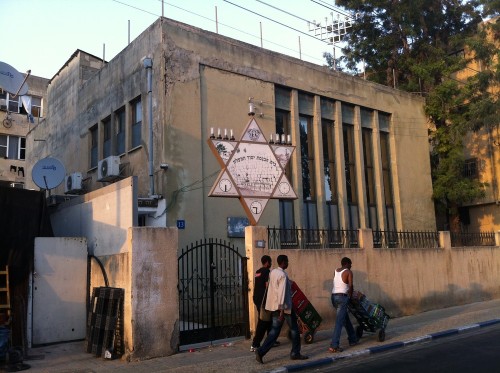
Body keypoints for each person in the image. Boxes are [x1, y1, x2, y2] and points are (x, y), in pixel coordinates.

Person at [255, 255, 308, 364]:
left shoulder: (273, 272)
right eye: (287, 261)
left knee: (274, 331)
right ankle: (295, 353)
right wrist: (282, 312)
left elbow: (275, 287)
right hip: (284, 308)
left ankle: (260, 352)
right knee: (295, 329)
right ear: (283, 262)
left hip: (274, 307)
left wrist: (289, 282)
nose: (288, 263)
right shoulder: (282, 275)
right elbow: (282, 294)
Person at [251, 255, 280, 352]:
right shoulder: (267, 272)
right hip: (264, 301)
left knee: (269, 321)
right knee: (263, 323)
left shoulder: (257, 272)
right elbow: (268, 286)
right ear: (267, 262)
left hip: (257, 299)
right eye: (270, 262)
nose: (271, 264)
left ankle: (271, 339)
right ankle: (255, 344)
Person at [329, 256, 358, 353]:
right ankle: (334, 345)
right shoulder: (348, 272)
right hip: (342, 298)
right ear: (346, 264)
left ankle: (353, 339)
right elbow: (350, 286)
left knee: (345, 318)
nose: (351, 266)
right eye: (350, 264)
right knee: (339, 322)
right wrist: (350, 297)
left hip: (333, 297)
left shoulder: (336, 271)